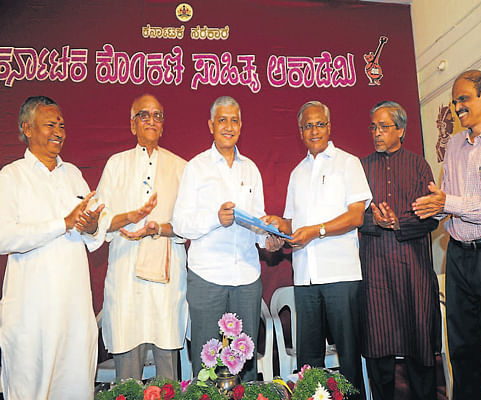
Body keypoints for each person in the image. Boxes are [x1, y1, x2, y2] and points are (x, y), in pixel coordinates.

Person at [263, 101, 372, 393]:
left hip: (341, 274)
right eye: (308, 126)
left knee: (348, 356)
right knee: (308, 359)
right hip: (305, 276)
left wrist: (316, 231)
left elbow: (356, 215)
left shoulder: (348, 163)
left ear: (329, 127)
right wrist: (276, 225)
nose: (314, 130)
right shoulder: (297, 173)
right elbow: (291, 223)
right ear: (300, 132)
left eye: (319, 124)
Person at [0, 96, 104, 399]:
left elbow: (93, 238)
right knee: (29, 388)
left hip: (74, 312)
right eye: (50, 125)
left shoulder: (72, 174)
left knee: (75, 387)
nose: (59, 131)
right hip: (32, 313)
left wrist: (91, 225)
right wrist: (63, 223)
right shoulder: (11, 176)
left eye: (61, 125)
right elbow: (4, 236)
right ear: (27, 129)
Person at [172, 96, 278, 381]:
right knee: (207, 366)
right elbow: (180, 224)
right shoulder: (196, 167)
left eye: (234, 120)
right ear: (211, 125)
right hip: (207, 278)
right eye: (222, 120)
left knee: (244, 364)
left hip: (246, 278)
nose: (228, 126)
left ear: (241, 125)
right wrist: (214, 218)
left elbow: (258, 221)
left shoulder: (251, 169)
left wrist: (268, 238)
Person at [413, 70, 481, 400]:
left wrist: (448, 201)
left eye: (463, 98)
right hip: (459, 255)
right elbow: (447, 197)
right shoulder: (453, 145)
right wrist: (432, 206)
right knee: (462, 349)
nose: (456, 106)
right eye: (454, 101)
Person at [95, 94, 188, 381]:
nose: (151, 121)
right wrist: (129, 217)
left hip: (166, 278)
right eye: (143, 115)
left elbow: (189, 225)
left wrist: (158, 228)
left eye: (157, 116)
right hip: (126, 275)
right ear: (132, 124)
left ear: (163, 125)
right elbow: (99, 219)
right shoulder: (116, 164)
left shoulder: (181, 167)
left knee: (167, 366)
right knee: (128, 370)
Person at [359, 101, 441, 400]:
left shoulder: (419, 165)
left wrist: (399, 223)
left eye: (384, 127)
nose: (377, 133)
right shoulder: (362, 168)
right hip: (376, 271)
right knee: (378, 344)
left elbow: (432, 216)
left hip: (413, 269)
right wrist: (374, 220)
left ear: (401, 130)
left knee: (419, 341)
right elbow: (353, 214)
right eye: (373, 127)